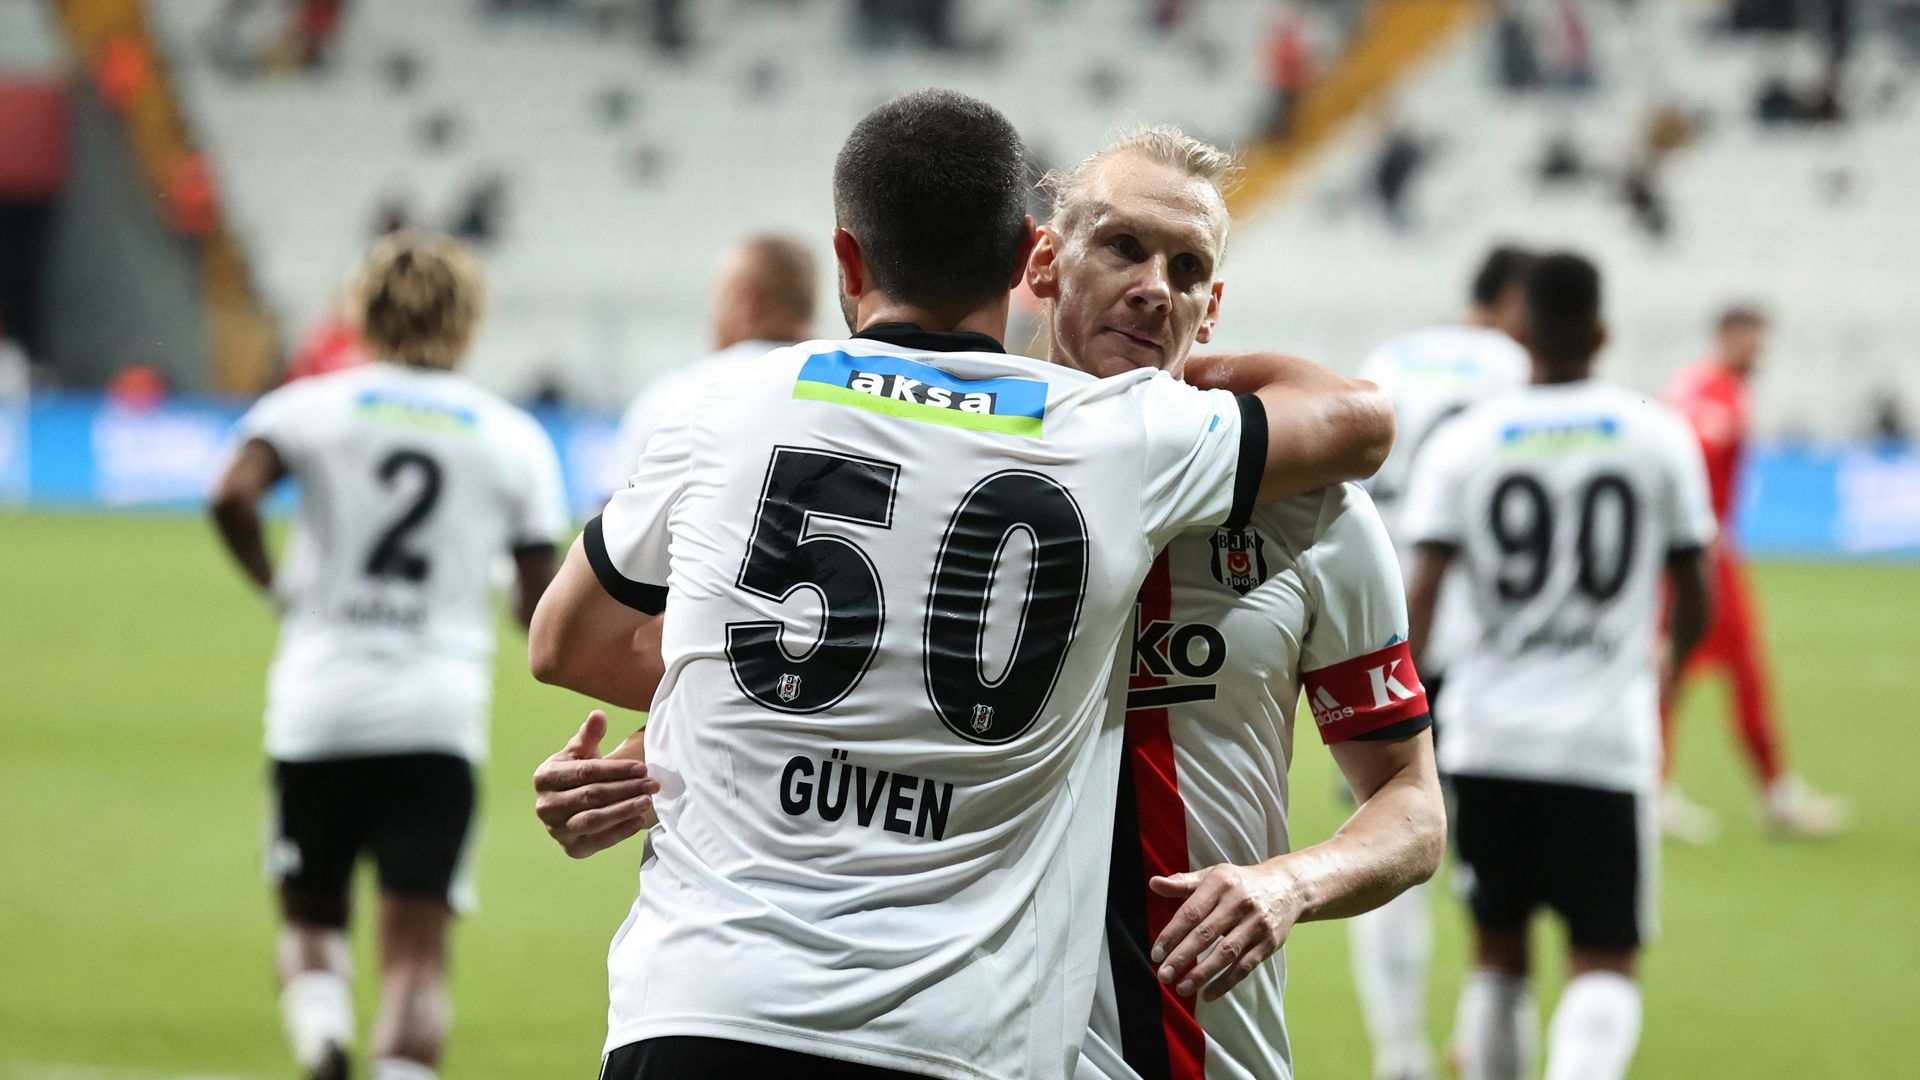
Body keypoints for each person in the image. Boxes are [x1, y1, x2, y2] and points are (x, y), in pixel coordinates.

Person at [533, 125, 1447, 1080]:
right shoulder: (952, 475)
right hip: (985, 1042)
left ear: (1211, 309)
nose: (1153, 287)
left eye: (1187, 270)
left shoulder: (1316, 518)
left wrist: (1291, 883)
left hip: (1198, 1051)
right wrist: (671, 751)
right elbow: (859, 683)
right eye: (1124, 246)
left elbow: (1410, 803)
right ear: (1042, 263)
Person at [207, 232, 568, 1080]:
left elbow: (230, 493)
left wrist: (276, 586)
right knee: (416, 956)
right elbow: (538, 605)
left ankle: (324, 1039)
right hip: (437, 714)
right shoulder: (511, 437)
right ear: (468, 321)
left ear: (362, 310)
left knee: (311, 923)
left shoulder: (308, 407)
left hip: (318, 706)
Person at [1400, 252, 1716, 1080]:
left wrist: (1414, 716)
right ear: (1602, 332)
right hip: (1602, 741)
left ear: (1521, 332)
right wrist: (1667, 675)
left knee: (1497, 956)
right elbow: (1697, 590)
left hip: (1487, 734)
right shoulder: (1656, 433)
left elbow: (1421, 593)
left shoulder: (1467, 441)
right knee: (1605, 958)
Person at [1347, 245, 1533, 1080]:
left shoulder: (1394, 355)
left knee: (1378, 830)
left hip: (1382, 629)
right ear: (1515, 301)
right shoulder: (1514, 366)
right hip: (1481, 640)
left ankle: (1400, 1053)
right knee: (1493, 858)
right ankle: (1486, 1045)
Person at [1662, 307, 1850, 841]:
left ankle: (1658, 791)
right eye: (1748, 338)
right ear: (1724, 336)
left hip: (1692, 551)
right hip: (1703, 554)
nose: (1756, 350)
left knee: (1675, 674)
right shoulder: (1713, 395)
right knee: (1735, 669)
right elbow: (1692, 449)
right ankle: (1775, 796)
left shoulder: (1694, 386)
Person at [604, 233, 816, 495]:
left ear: (745, 304)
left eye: (718, 297)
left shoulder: (675, 398)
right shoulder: (850, 396)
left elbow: (609, 518)